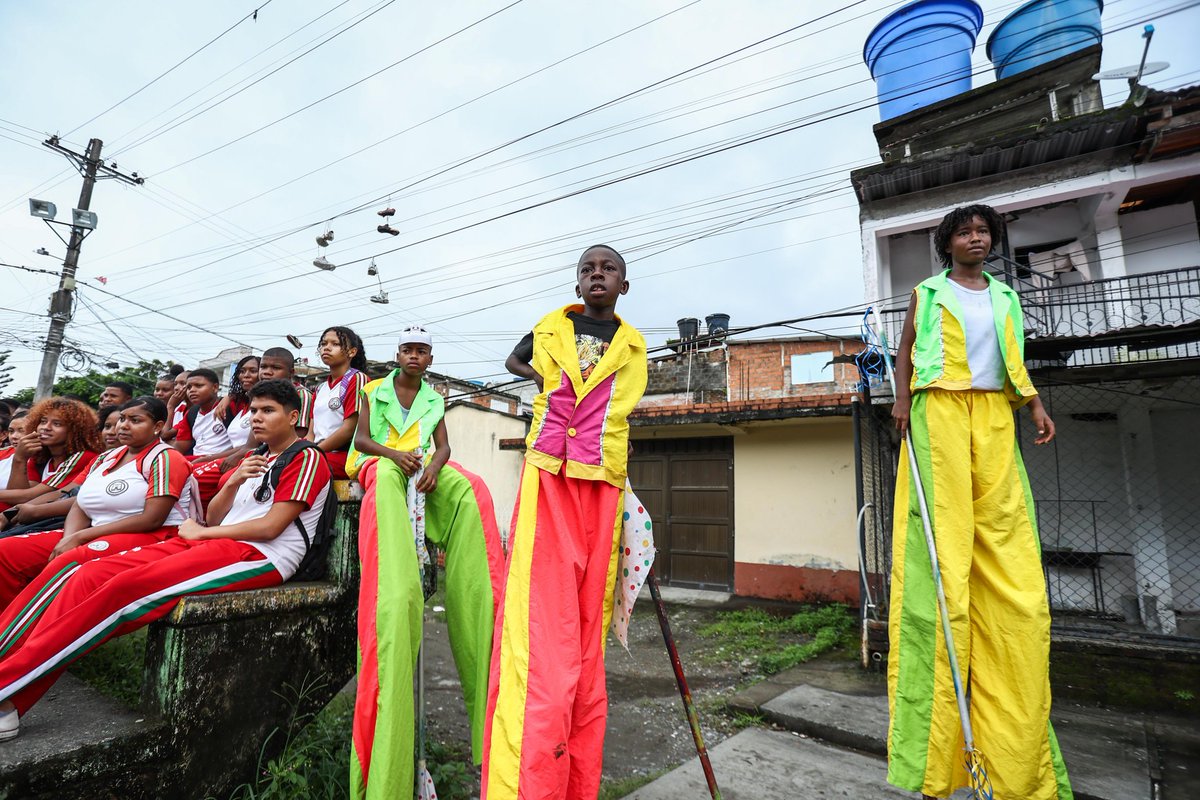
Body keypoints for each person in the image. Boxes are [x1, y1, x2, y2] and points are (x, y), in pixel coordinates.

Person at [0, 380, 331, 741]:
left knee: (125, 590)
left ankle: (8, 691)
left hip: (261, 555)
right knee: (89, 574)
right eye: (253, 410)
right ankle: (9, 668)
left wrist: (200, 534)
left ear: (294, 416)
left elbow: (270, 527)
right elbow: (219, 516)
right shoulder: (257, 458)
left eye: (268, 411)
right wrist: (233, 482)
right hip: (215, 541)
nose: (256, 418)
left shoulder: (306, 456)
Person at [886, 205, 1071, 800]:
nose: (975, 238)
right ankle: (936, 753)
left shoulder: (1007, 298)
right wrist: (899, 403)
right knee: (943, 553)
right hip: (939, 407)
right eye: (964, 231)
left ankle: (1014, 753)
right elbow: (906, 347)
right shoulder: (928, 291)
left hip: (993, 414)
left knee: (1006, 547)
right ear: (948, 243)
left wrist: (1035, 405)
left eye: (983, 232)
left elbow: (1012, 361)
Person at [482, 245, 647, 800]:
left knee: (586, 627)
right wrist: (542, 385)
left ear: (624, 285)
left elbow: (619, 405)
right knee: (539, 626)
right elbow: (515, 360)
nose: (596, 275)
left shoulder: (633, 344)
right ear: (577, 283)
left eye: (608, 269)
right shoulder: (551, 327)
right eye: (587, 269)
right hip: (549, 465)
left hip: (602, 475)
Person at [348, 326, 504, 800]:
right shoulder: (373, 390)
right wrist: (395, 453)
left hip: (418, 464)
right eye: (407, 350)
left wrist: (436, 467)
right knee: (390, 479)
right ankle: (399, 589)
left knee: (471, 488)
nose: (414, 357)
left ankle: (485, 606)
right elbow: (361, 441)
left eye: (421, 351)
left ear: (430, 357)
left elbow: (444, 446)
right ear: (396, 354)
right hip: (380, 463)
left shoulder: (435, 398)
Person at [0, 396, 196, 611]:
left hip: (147, 534)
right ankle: (8, 616)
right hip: (90, 529)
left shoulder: (166, 458)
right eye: (122, 419)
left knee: (68, 562)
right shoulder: (106, 457)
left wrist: (81, 536)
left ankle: (16, 634)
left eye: (135, 420)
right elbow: (81, 502)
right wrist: (69, 537)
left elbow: (153, 519)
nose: (123, 426)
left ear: (158, 426)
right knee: (6, 550)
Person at [0, 399, 100, 518]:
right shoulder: (40, 455)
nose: (46, 428)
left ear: (75, 430)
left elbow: (28, 496)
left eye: (57, 424)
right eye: (43, 421)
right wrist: (21, 458)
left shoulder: (83, 456)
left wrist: (19, 458)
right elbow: (16, 495)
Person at [311, 327, 368, 479]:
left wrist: (313, 452)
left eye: (335, 344)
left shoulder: (356, 379)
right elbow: (312, 430)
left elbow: (349, 429)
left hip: (345, 455)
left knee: (305, 467)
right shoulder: (320, 388)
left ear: (352, 352)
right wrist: (305, 450)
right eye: (323, 344)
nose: (326, 348)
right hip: (319, 453)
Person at [172, 369, 234, 459]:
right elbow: (179, 447)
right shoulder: (191, 414)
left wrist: (230, 396)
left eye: (198, 386)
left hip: (221, 464)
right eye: (189, 387)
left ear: (215, 387)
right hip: (194, 462)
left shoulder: (229, 406)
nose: (192, 390)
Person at [258, 347, 314, 437]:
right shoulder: (261, 396)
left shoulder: (301, 395)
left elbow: (300, 435)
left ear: (291, 372)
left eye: (276, 368)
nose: (267, 372)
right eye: (263, 367)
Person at [0, 415, 28, 489]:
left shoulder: (40, 462)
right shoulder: (3, 454)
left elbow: (21, 494)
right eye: (11, 431)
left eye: (21, 431)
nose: (14, 436)